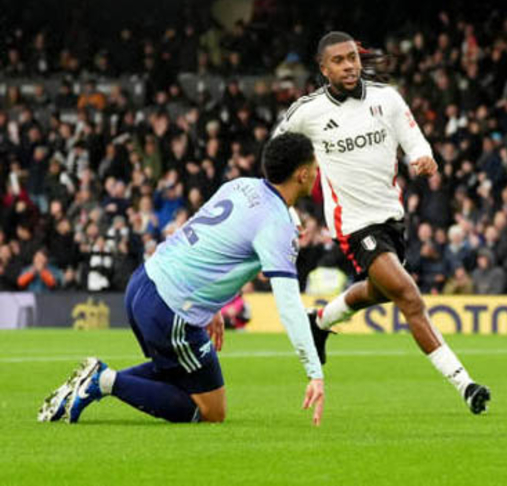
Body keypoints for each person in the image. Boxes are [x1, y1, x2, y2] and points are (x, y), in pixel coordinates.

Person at [37, 133, 325, 426]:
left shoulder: (240, 185)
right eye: (315, 165)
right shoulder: (278, 225)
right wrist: (314, 372)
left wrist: (211, 307)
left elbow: (210, 240)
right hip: (171, 308)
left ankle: (92, 381)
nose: (318, 171)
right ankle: (104, 380)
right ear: (302, 174)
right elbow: (288, 306)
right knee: (211, 411)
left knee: (174, 373)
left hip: (144, 280)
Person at [275, 31, 490, 414]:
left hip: (392, 219)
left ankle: (319, 322)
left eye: (352, 58)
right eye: (338, 61)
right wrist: (286, 206)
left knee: (376, 292)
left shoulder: (386, 99)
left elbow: (415, 139)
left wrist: (424, 158)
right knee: (409, 296)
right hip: (354, 226)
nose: (349, 65)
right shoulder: (307, 112)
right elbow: (277, 155)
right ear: (323, 69)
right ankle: (466, 384)